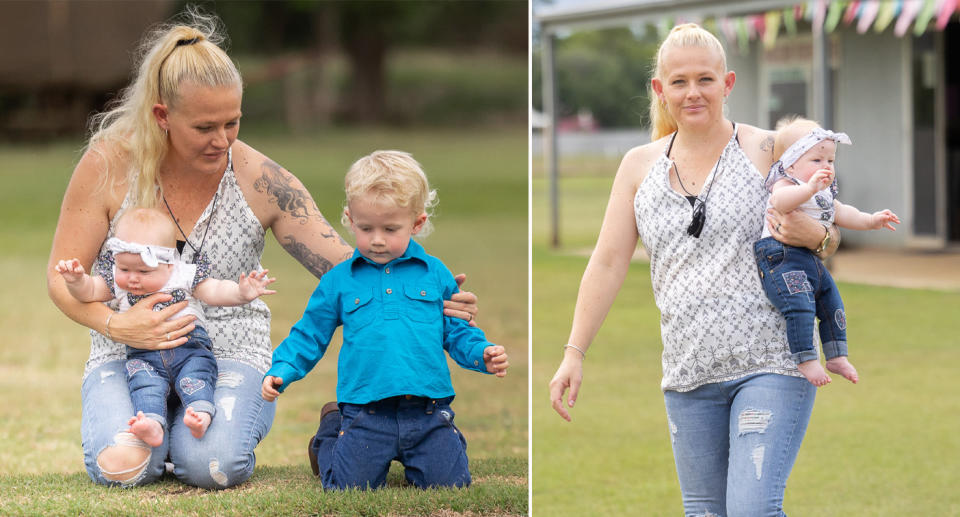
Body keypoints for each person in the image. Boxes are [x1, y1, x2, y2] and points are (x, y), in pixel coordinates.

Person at [46, 9, 477, 489]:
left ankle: (324, 428)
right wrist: (116, 322)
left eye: (232, 123)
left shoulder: (262, 180)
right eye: (205, 127)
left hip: (230, 349)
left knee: (210, 467)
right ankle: (156, 431)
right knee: (123, 468)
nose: (222, 140)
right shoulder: (107, 164)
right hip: (124, 350)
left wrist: (425, 290)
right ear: (162, 116)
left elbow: (345, 264)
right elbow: (61, 281)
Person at [547, 24, 844, 515]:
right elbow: (607, 261)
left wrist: (819, 238)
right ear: (660, 91)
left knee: (752, 508)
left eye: (705, 79)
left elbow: (830, 223)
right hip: (688, 373)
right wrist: (574, 353)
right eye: (679, 82)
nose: (693, 92)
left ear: (727, 84)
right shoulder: (637, 166)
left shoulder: (766, 148)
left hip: (770, 360)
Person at [261, 150, 509, 490]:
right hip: (366, 411)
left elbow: (458, 330)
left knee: (451, 484)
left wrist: (482, 354)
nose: (377, 239)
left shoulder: (435, 274)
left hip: (426, 410)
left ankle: (440, 447)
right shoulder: (338, 280)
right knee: (346, 488)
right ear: (349, 219)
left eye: (391, 229)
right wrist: (282, 370)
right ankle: (333, 429)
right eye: (365, 228)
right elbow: (309, 333)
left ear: (417, 224)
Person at [55, 207, 276, 446]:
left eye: (143, 271)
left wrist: (241, 293)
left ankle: (199, 414)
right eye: (124, 269)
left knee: (198, 375)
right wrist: (77, 281)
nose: (132, 278)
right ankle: (152, 423)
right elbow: (89, 292)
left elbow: (214, 291)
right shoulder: (119, 284)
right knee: (143, 383)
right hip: (143, 355)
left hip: (189, 348)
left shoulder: (183, 274)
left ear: (170, 265)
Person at [756, 117, 899, 387]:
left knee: (832, 301)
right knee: (800, 305)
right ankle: (806, 358)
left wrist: (871, 220)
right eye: (816, 161)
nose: (826, 167)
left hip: (808, 259)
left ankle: (836, 355)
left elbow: (843, 213)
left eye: (830, 162)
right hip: (781, 256)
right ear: (791, 163)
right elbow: (779, 203)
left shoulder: (823, 194)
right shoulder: (787, 184)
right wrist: (808, 188)